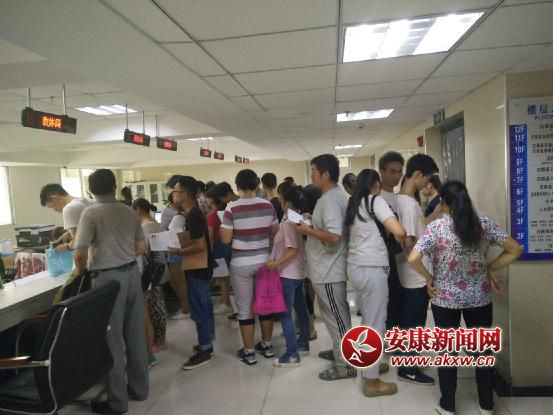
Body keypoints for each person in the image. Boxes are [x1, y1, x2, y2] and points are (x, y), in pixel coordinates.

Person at [408, 181, 522, 415]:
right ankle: (486, 405)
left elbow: (413, 259)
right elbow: (515, 249)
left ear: (443, 203)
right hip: (479, 298)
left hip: (444, 299)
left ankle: (447, 405)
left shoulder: (437, 228)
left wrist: (429, 278)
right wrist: (489, 267)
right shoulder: (484, 225)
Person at [72, 169, 148, 414]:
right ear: (115, 187)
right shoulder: (128, 211)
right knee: (135, 335)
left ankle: (117, 402)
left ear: (90, 189)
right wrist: (122, 255)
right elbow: (141, 246)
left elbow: (80, 253)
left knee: (112, 340)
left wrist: (81, 271)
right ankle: (140, 389)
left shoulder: (90, 213)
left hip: (107, 280)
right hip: (132, 275)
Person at [345, 169, 407, 397]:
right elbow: (399, 231)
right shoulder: (374, 200)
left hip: (356, 267)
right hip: (372, 268)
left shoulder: (353, 204)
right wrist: (400, 235)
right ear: (376, 185)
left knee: (368, 320)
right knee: (376, 323)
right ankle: (371, 382)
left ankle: (370, 363)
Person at [297, 154, 355, 381]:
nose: (311, 175)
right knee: (336, 317)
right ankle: (340, 351)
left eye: (313, 170)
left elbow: (334, 237)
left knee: (337, 318)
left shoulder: (331, 199)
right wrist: (312, 220)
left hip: (329, 269)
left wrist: (308, 230)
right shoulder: (331, 197)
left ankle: (346, 365)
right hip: (325, 269)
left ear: (326, 174)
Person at [220, 169, 279, 366]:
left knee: (245, 309)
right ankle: (267, 346)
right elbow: (275, 231)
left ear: (237, 186)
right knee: (265, 306)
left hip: (241, 263)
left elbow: (226, 239)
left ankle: (249, 351)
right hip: (265, 261)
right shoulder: (268, 205)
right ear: (257, 185)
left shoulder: (231, 208)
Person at [395, 153, 439, 386]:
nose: (428, 183)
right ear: (418, 174)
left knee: (409, 321)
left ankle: (407, 360)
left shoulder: (402, 200)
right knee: (414, 323)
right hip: (416, 275)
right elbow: (409, 244)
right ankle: (408, 369)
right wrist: (428, 276)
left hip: (409, 274)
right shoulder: (410, 205)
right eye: (428, 178)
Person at [168, 176, 216, 370]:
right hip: (200, 268)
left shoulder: (192, 216)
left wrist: (178, 251)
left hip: (198, 269)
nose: (173, 194)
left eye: (175, 191)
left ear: (185, 194)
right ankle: (207, 341)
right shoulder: (193, 213)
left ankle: (205, 349)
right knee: (203, 306)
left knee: (200, 308)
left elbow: (199, 245)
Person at [267, 187, 310, 368]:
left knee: (285, 314)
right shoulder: (300, 219)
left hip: (287, 274)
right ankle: (303, 343)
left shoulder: (288, 223)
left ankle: (292, 354)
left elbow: (292, 250)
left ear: (287, 203)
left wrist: (275, 263)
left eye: (281, 199)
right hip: (298, 273)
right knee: (301, 310)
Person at [132, 198, 169, 369]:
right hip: (158, 269)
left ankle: (155, 344)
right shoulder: (154, 223)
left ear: (138, 209)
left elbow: (143, 250)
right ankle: (158, 342)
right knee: (156, 308)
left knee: (152, 311)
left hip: (150, 274)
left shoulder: (144, 227)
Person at [378, 151, 405, 330]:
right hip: (384, 259)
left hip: (402, 258)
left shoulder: (400, 198)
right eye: (392, 171)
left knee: (399, 300)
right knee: (388, 302)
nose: (397, 176)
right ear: (381, 171)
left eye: (399, 172)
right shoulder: (376, 199)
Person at [40, 183, 93, 252]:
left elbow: (78, 242)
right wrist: (68, 232)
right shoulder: (86, 201)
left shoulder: (68, 208)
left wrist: (67, 247)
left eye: (52, 207)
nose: (55, 210)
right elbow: (88, 228)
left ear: (54, 198)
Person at [165, 175, 190, 320]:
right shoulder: (184, 216)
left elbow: (179, 236)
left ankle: (186, 308)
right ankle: (186, 306)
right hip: (178, 252)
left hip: (175, 252)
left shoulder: (178, 218)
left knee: (179, 283)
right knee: (180, 282)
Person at [205, 186, 233, 315]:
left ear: (212, 200)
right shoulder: (225, 213)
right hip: (225, 246)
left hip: (217, 248)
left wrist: (210, 253)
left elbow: (210, 237)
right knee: (225, 277)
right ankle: (225, 301)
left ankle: (225, 303)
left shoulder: (211, 216)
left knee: (222, 278)